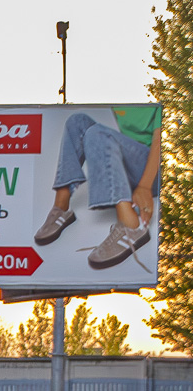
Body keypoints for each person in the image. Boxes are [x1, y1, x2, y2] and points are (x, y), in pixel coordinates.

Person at [34, 106, 162, 269]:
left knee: (97, 133)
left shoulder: (155, 102)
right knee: (77, 121)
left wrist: (144, 186)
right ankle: (61, 207)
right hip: (127, 167)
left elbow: (159, 143)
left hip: (154, 170)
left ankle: (131, 225)